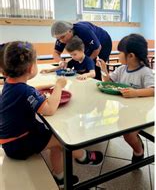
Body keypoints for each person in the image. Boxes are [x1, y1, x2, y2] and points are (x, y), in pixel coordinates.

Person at [0, 41, 104, 187]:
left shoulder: (11, 84)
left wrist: (46, 87)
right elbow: (49, 109)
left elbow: (29, 90)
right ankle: (83, 157)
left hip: (13, 138)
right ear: (31, 68)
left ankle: (59, 177)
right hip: (18, 143)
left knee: (54, 139)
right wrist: (59, 87)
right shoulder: (24, 91)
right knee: (62, 140)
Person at [96, 34, 154, 163]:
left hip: (139, 113)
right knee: (124, 133)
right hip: (124, 111)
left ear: (131, 55)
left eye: (120, 53)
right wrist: (104, 69)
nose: (118, 56)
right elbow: (108, 82)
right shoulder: (122, 69)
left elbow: (153, 90)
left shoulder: (145, 72)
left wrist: (135, 92)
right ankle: (137, 144)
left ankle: (139, 151)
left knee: (129, 136)